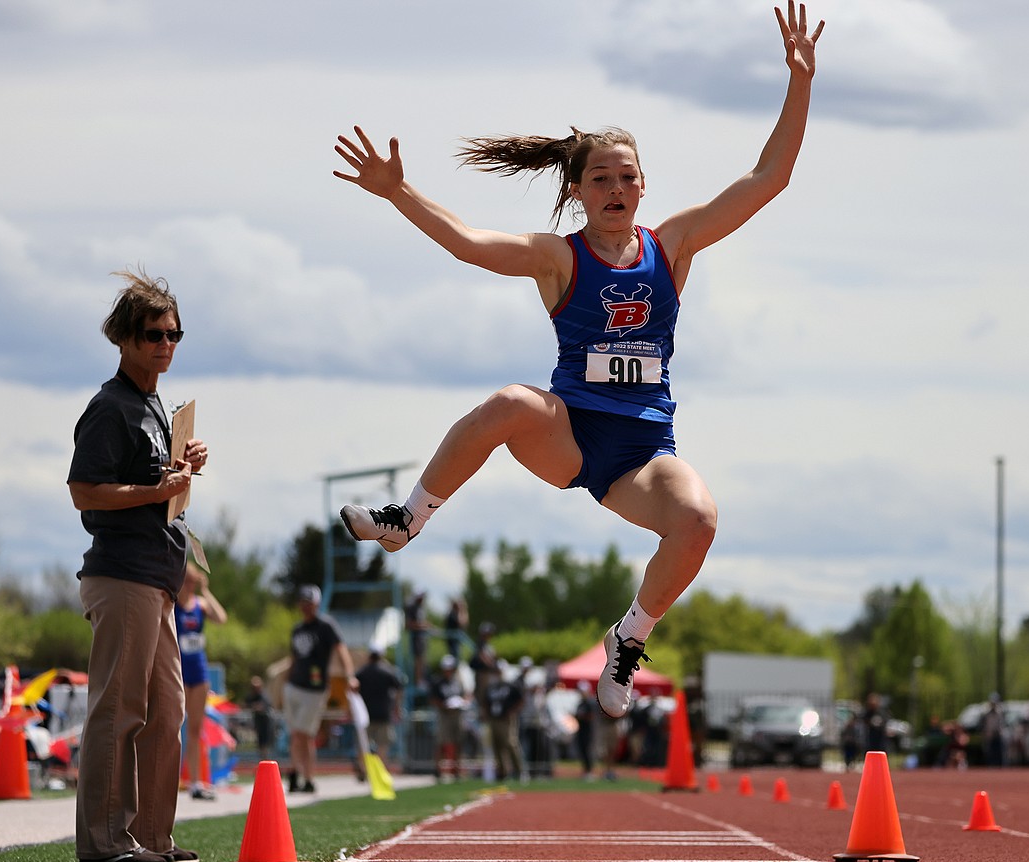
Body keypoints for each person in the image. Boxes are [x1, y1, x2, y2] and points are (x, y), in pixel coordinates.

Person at [334, 3, 824, 720]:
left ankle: (631, 634)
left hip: (643, 450)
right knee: (507, 402)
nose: (615, 189)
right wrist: (399, 191)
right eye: (600, 179)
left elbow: (768, 177)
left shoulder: (673, 244)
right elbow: (469, 242)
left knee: (700, 520)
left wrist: (799, 80)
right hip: (568, 431)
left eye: (626, 177)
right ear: (577, 191)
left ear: (643, 186)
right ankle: (407, 520)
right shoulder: (557, 257)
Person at [67, 268, 210, 862]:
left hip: (156, 578)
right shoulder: (111, 407)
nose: (165, 345)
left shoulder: (152, 404)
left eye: (174, 334)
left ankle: (152, 837)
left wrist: (181, 469)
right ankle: (103, 840)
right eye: (153, 334)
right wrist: (158, 490)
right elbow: (84, 491)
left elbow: (153, 484)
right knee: (118, 708)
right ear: (124, 339)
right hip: (122, 573)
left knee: (168, 709)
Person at [283, 585, 359, 794]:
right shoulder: (298, 629)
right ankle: (303, 776)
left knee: (302, 733)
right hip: (294, 687)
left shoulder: (326, 626)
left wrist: (350, 676)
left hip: (314, 690)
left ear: (316, 604)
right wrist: (285, 679)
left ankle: (299, 774)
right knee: (298, 735)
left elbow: (341, 650)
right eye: (303, 602)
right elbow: (294, 658)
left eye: (310, 603)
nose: (306, 607)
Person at [174, 561, 228, 799]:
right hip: (177, 670)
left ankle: (195, 781)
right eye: (187, 581)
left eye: (193, 581)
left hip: (199, 672)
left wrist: (206, 590)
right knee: (172, 727)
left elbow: (221, 618)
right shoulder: (172, 603)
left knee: (195, 729)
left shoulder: (200, 604)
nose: (190, 586)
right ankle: (170, 780)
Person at [355, 643, 405, 768]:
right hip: (384, 713)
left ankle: (363, 769)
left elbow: (354, 690)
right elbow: (399, 689)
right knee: (383, 744)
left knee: (363, 744)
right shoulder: (389, 671)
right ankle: (381, 769)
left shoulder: (362, 672)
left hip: (365, 714)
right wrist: (397, 708)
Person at [428, 654, 469, 782]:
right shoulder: (437, 682)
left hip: (457, 715)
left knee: (458, 742)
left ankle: (456, 769)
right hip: (444, 715)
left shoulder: (458, 682)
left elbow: (465, 695)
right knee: (441, 742)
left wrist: (462, 702)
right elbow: (432, 699)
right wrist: (444, 706)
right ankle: (437, 769)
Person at [483, 661, 526, 782]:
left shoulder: (511, 686)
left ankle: (519, 771)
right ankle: (502, 772)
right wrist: (486, 714)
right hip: (494, 719)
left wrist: (512, 712)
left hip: (506, 719)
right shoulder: (491, 687)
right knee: (496, 745)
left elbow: (521, 700)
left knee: (510, 743)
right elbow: (486, 702)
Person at [404, 591, 432, 690]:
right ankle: (418, 681)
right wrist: (423, 625)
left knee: (422, 660)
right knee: (418, 661)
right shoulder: (412, 608)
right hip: (416, 639)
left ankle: (421, 680)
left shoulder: (420, 608)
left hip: (421, 639)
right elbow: (408, 624)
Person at [243, 675, 275, 761]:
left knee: (266, 741)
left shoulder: (264, 696)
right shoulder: (251, 696)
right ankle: (262, 759)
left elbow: (266, 706)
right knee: (260, 741)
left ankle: (266, 758)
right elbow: (245, 705)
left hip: (266, 722)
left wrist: (258, 707)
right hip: (257, 722)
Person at [573, 679, 598, 780]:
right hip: (581, 729)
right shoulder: (581, 703)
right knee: (582, 750)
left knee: (588, 750)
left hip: (588, 730)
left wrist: (581, 717)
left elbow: (591, 716)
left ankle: (590, 771)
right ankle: (585, 770)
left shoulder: (589, 702)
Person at [444, 597, 469, 663]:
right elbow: (461, 623)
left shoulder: (455, 614)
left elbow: (466, 623)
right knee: (455, 659)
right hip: (453, 641)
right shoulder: (452, 614)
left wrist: (464, 610)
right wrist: (462, 610)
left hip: (456, 641)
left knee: (457, 657)